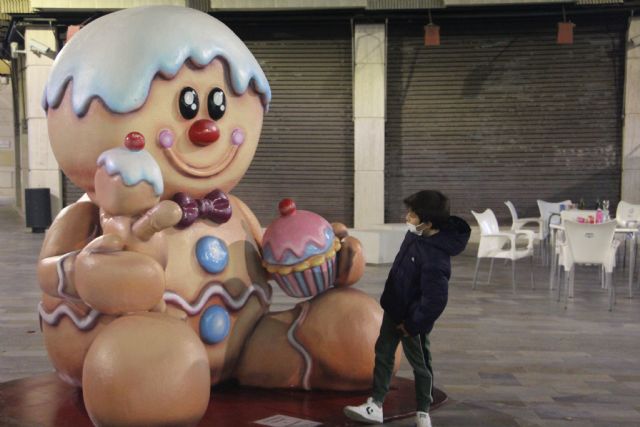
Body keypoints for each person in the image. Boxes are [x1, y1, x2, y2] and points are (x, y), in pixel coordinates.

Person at [343, 190, 471, 427]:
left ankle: (423, 412)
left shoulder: (436, 257)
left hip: (412, 321)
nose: (407, 217)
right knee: (383, 354)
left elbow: (435, 299)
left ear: (428, 222)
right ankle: (376, 404)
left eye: (412, 215)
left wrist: (414, 324)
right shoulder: (415, 236)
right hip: (394, 310)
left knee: (420, 364)